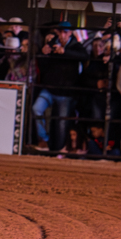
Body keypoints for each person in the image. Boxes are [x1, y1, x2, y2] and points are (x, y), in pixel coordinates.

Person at [32, 21, 89, 151]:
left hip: (66, 92)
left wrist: (65, 52)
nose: (63, 35)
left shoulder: (75, 45)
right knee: (36, 109)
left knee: (62, 124)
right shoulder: (51, 44)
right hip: (50, 88)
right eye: (61, 32)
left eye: (65, 32)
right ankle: (44, 140)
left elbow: (85, 56)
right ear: (57, 32)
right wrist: (43, 53)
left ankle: (60, 149)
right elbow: (42, 64)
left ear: (70, 33)